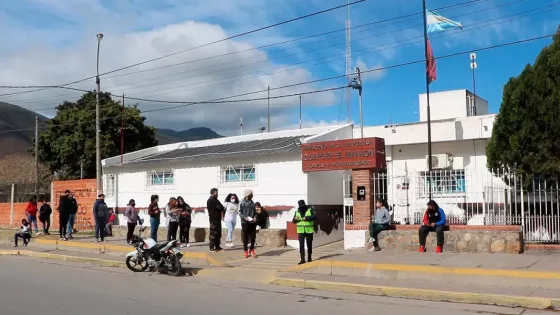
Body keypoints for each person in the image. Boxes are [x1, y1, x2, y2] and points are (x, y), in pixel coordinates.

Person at [292, 200, 316, 265]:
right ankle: (302, 259)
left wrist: (307, 218)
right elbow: (293, 221)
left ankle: (309, 257)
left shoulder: (309, 210)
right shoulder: (297, 211)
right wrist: (295, 219)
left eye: (303, 206)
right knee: (301, 244)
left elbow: (314, 217)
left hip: (309, 230)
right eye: (301, 206)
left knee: (309, 244)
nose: (302, 208)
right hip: (301, 231)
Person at [239, 189, 257, 258]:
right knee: (245, 237)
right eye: (251, 194)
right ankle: (245, 251)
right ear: (248, 195)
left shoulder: (252, 202)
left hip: (252, 222)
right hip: (244, 222)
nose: (252, 195)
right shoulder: (242, 202)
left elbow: (255, 212)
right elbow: (239, 212)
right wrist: (244, 218)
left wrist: (255, 217)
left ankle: (252, 250)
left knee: (253, 237)